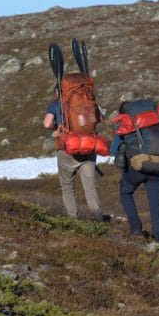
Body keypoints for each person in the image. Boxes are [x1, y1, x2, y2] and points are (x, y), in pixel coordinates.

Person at [110, 100, 159, 246]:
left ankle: (136, 230)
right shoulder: (157, 121)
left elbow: (114, 150)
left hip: (138, 166)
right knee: (155, 202)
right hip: (158, 165)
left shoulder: (127, 123)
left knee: (126, 192)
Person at [43, 84, 104, 221]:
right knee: (89, 185)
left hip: (67, 148)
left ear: (57, 92)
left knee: (67, 186)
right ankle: (98, 218)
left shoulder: (56, 104)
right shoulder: (87, 101)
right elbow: (99, 118)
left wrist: (56, 127)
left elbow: (47, 124)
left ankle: (73, 219)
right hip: (88, 147)